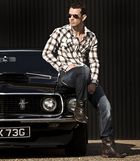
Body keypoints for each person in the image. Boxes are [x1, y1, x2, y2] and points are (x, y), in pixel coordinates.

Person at [42, 0, 127, 158]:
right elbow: (46, 53)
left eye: (75, 16)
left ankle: (108, 147)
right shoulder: (59, 32)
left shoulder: (91, 36)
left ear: (84, 17)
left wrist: (93, 82)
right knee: (82, 69)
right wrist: (63, 66)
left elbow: (94, 61)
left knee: (106, 106)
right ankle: (80, 108)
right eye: (69, 15)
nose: (71, 18)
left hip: (86, 78)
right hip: (67, 78)